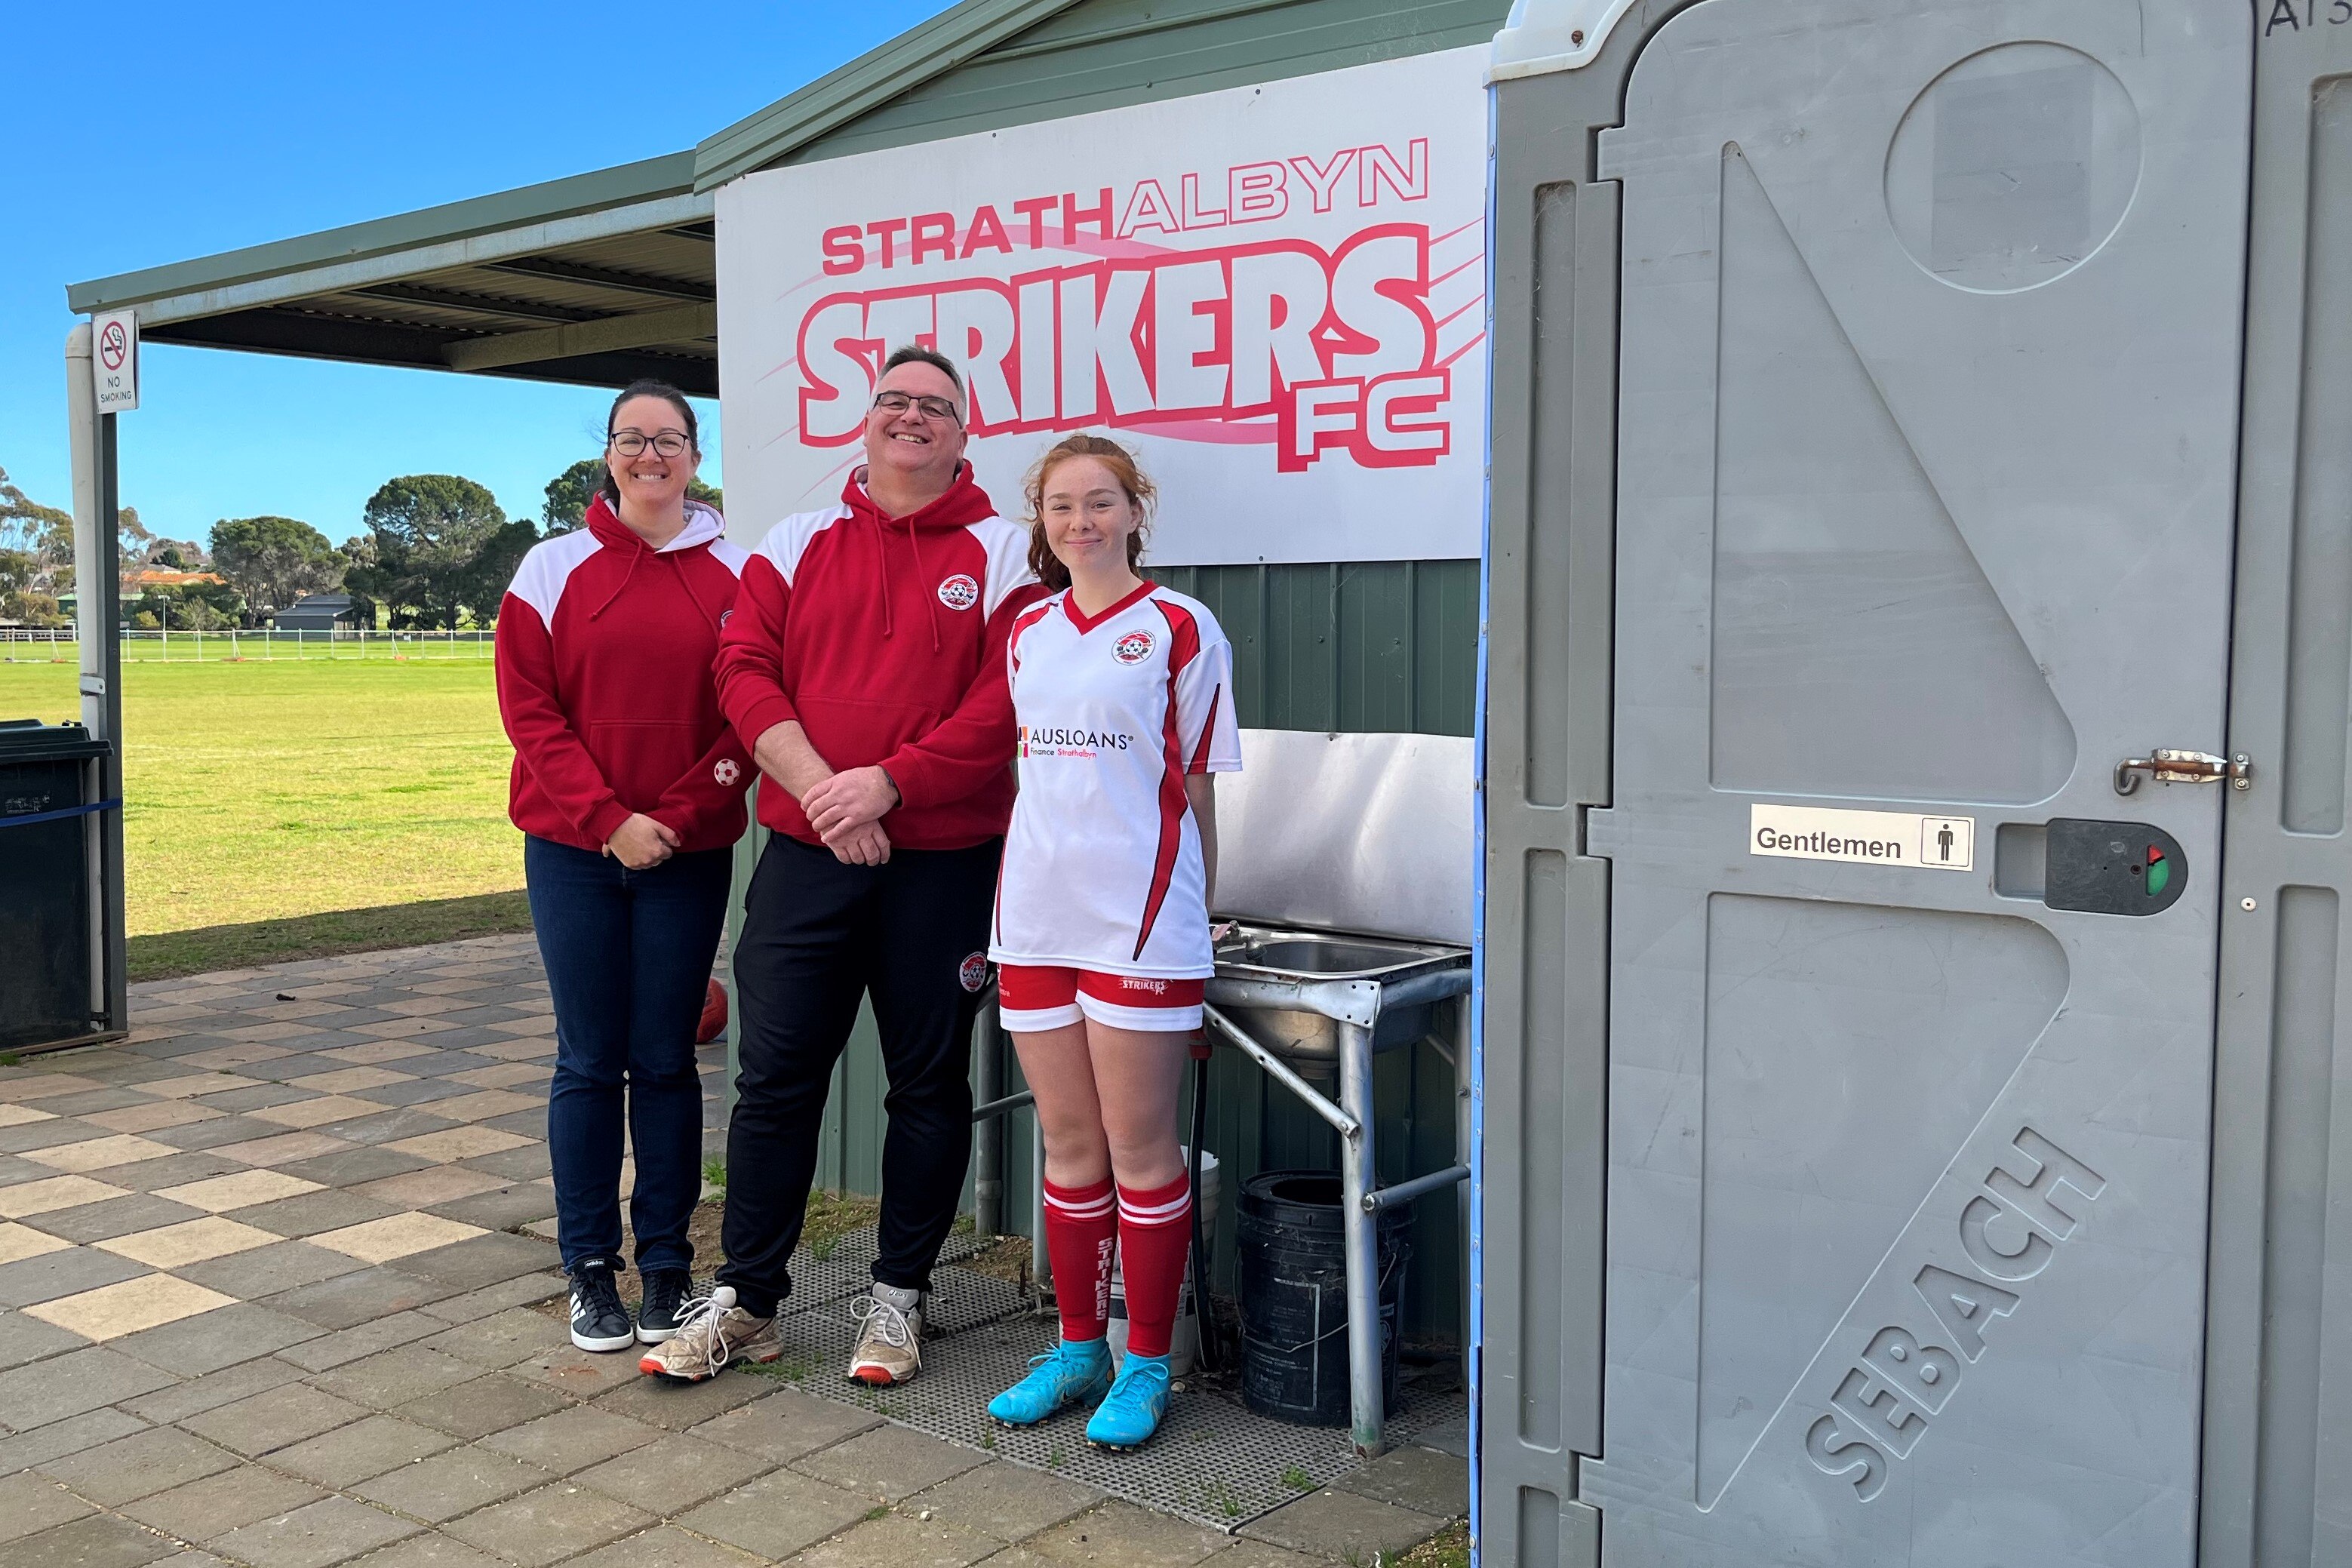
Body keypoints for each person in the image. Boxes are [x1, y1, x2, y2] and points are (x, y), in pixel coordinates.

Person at [643, 345, 1044, 1384]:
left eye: (935, 407)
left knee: (926, 1085)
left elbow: (1004, 701)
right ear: (864, 422)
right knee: (773, 1082)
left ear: (962, 434)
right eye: (894, 401)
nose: (912, 417)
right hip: (805, 857)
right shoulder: (794, 539)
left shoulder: (1006, 552)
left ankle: (900, 1300)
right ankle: (748, 1299)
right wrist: (830, 790)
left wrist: (890, 785)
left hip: (942, 862)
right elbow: (742, 670)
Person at [982, 435, 1242, 1450]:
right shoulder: (1027, 630)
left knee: (1140, 1149)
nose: (1080, 522)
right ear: (1039, 521)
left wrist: (1200, 924)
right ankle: (1076, 1347)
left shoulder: (1182, 627)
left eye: (1099, 503)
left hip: (1140, 922)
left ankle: (1145, 1362)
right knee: (1069, 1144)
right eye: (1059, 506)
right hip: (1035, 914)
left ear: (1135, 510)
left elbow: (1198, 787)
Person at [495, 380, 751, 1353]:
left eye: (670, 438)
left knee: (668, 1062)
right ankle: (589, 1269)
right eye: (631, 439)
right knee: (591, 1062)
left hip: (686, 856)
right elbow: (530, 712)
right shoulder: (550, 568)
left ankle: (669, 1269)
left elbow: (750, 716)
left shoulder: (739, 568)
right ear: (608, 454)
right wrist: (607, 820)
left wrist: (674, 819)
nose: (651, 454)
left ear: (696, 451)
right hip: (573, 853)